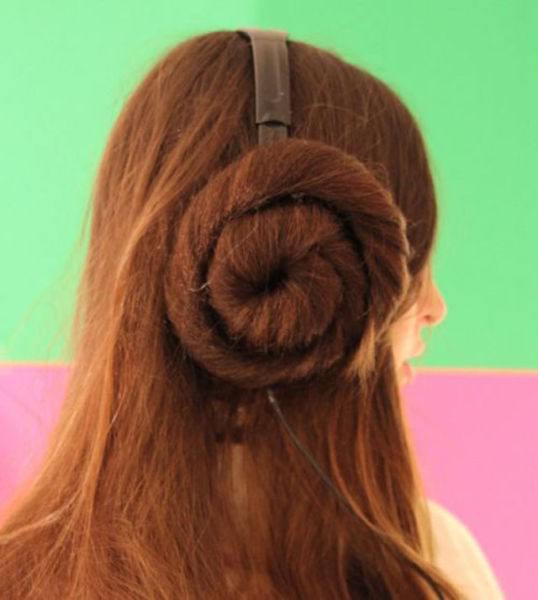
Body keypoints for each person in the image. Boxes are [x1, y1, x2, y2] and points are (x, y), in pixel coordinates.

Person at [0, 30, 505, 599]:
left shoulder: (23, 577)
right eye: (412, 258)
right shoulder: (432, 568)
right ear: (331, 291)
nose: (436, 307)